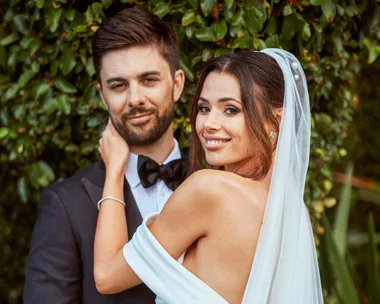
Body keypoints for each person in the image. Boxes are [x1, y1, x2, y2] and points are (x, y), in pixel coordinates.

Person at [93, 49, 323, 303]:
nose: (208, 123)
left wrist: (114, 170)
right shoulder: (293, 209)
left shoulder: (209, 189)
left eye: (230, 110)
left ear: (276, 122)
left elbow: (106, 276)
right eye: (204, 108)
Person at [23, 8, 187, 304]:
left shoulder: (221, 180)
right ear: (102, 95)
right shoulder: (65, 204)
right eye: (118, 85)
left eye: (149, 80)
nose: (135, 98)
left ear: (177, 84)